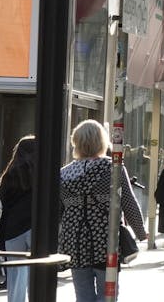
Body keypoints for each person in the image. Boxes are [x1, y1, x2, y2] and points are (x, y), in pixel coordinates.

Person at [59, 120, 147, 302]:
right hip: (105, 241)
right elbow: (128, 202)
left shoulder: (63, 174)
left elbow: (59, 210)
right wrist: (140, 232)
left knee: (83, 295)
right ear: (102, 142)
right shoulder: (112, 168)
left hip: (75, 242)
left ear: (76, 142)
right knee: (108, 294)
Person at [0, 136, 36, 302]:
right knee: (39, 271)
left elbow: (5, 209)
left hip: (13, 231)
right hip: (35, 227)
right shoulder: (43, 175)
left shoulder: (9, 176)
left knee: (16, 275)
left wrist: (1, 239)